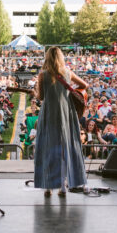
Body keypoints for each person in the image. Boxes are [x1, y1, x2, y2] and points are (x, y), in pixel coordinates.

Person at [28, 46, 89, 197]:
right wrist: (68, 91)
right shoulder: (68, 72)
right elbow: (85, 85)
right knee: (65, 149)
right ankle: (63, 186)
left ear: (47, 57)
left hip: (49, 113)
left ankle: (48, 187)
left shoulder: (43, 74)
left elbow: (41, 97)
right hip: (66, 112)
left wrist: (33, 93)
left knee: (48, 148)